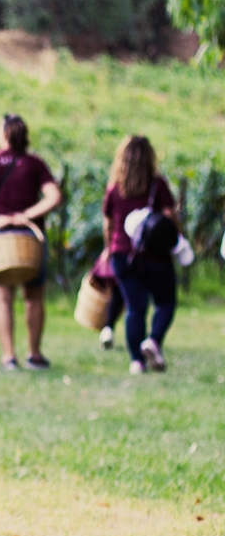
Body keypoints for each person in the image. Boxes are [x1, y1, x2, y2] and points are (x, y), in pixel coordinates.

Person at [0, 113, 63, 371]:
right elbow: (53, 196)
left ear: (4, 134)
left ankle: (8, 356)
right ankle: (35, 353)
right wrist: (27, 216)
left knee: (3, 297)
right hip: (30, 238)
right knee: (34, 296)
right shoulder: (34, 164)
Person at [102, 134, 179, 374]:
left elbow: (108, 222)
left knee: (135, 309)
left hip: (123, 254)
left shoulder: (115, 188)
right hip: (155, 256)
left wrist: (108, 248)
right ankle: (153, 341)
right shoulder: (158, 185)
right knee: (165, 302)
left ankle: (136, 361)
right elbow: (170, 217)